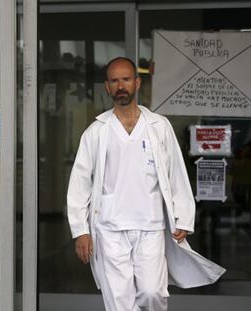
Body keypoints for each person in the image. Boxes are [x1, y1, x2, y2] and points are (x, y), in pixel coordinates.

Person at [67, 57, 225, 311]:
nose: (121, 85)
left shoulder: (158, 126)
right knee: (119, 302)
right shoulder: (96, 131)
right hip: (110, 228)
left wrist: (183, 217)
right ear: (107, 87)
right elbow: (80, 183)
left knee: (153, 294)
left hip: (150, 225)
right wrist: (81, 230)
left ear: (137, 83)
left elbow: (176, 174)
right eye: (115, 80)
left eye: (126, 79)